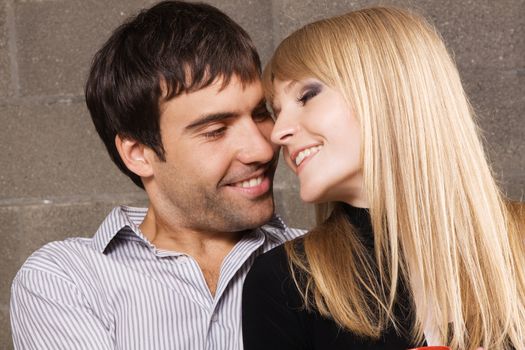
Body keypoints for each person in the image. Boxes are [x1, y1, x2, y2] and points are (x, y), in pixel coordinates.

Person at [10, 1, 303, 349]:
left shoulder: (329, 264)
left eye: (259, 114)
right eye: (215, 130)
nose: (262, 149)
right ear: (139, 154)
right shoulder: (65, 280)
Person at [242, 7, 525, 350]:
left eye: (306, 96)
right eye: (277, 112)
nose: (279, 132)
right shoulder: (287, 283)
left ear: (389, 91)